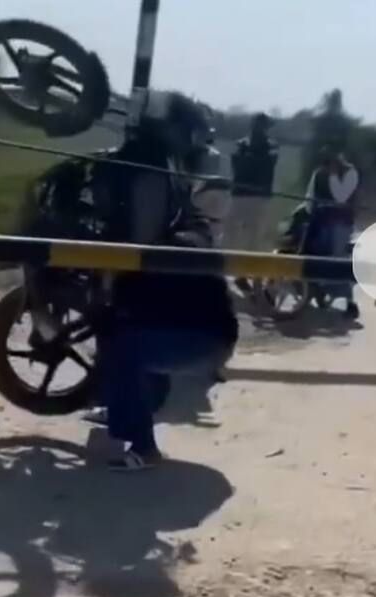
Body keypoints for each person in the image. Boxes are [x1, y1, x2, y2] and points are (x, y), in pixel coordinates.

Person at [94, 93, 240, 471]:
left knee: (122, 345)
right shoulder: (180, 221)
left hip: (204, 341)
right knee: (123, 332)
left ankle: (144, 447)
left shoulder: (169, 240)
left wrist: (111, 267)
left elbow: (138, 242)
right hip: (203, 333)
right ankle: (125, 412)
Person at [304, 149, 360, 319]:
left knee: (338, 260)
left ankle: (350, 304)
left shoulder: (350, 173)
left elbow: (341, 197)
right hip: (321, 221)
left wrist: (334, 176)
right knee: (317, 257)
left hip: (340, 224)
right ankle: (319, 292)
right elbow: (310, 196)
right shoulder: (319, 173)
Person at [229, 113, 279, 293]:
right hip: (242, 196)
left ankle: (255, 282)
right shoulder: (241, 145)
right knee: (238, 239)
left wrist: (250, 159)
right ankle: (242, 277)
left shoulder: (271, 147)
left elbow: (264, 168)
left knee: (257, 242)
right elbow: (239, 167)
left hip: (259, 198)